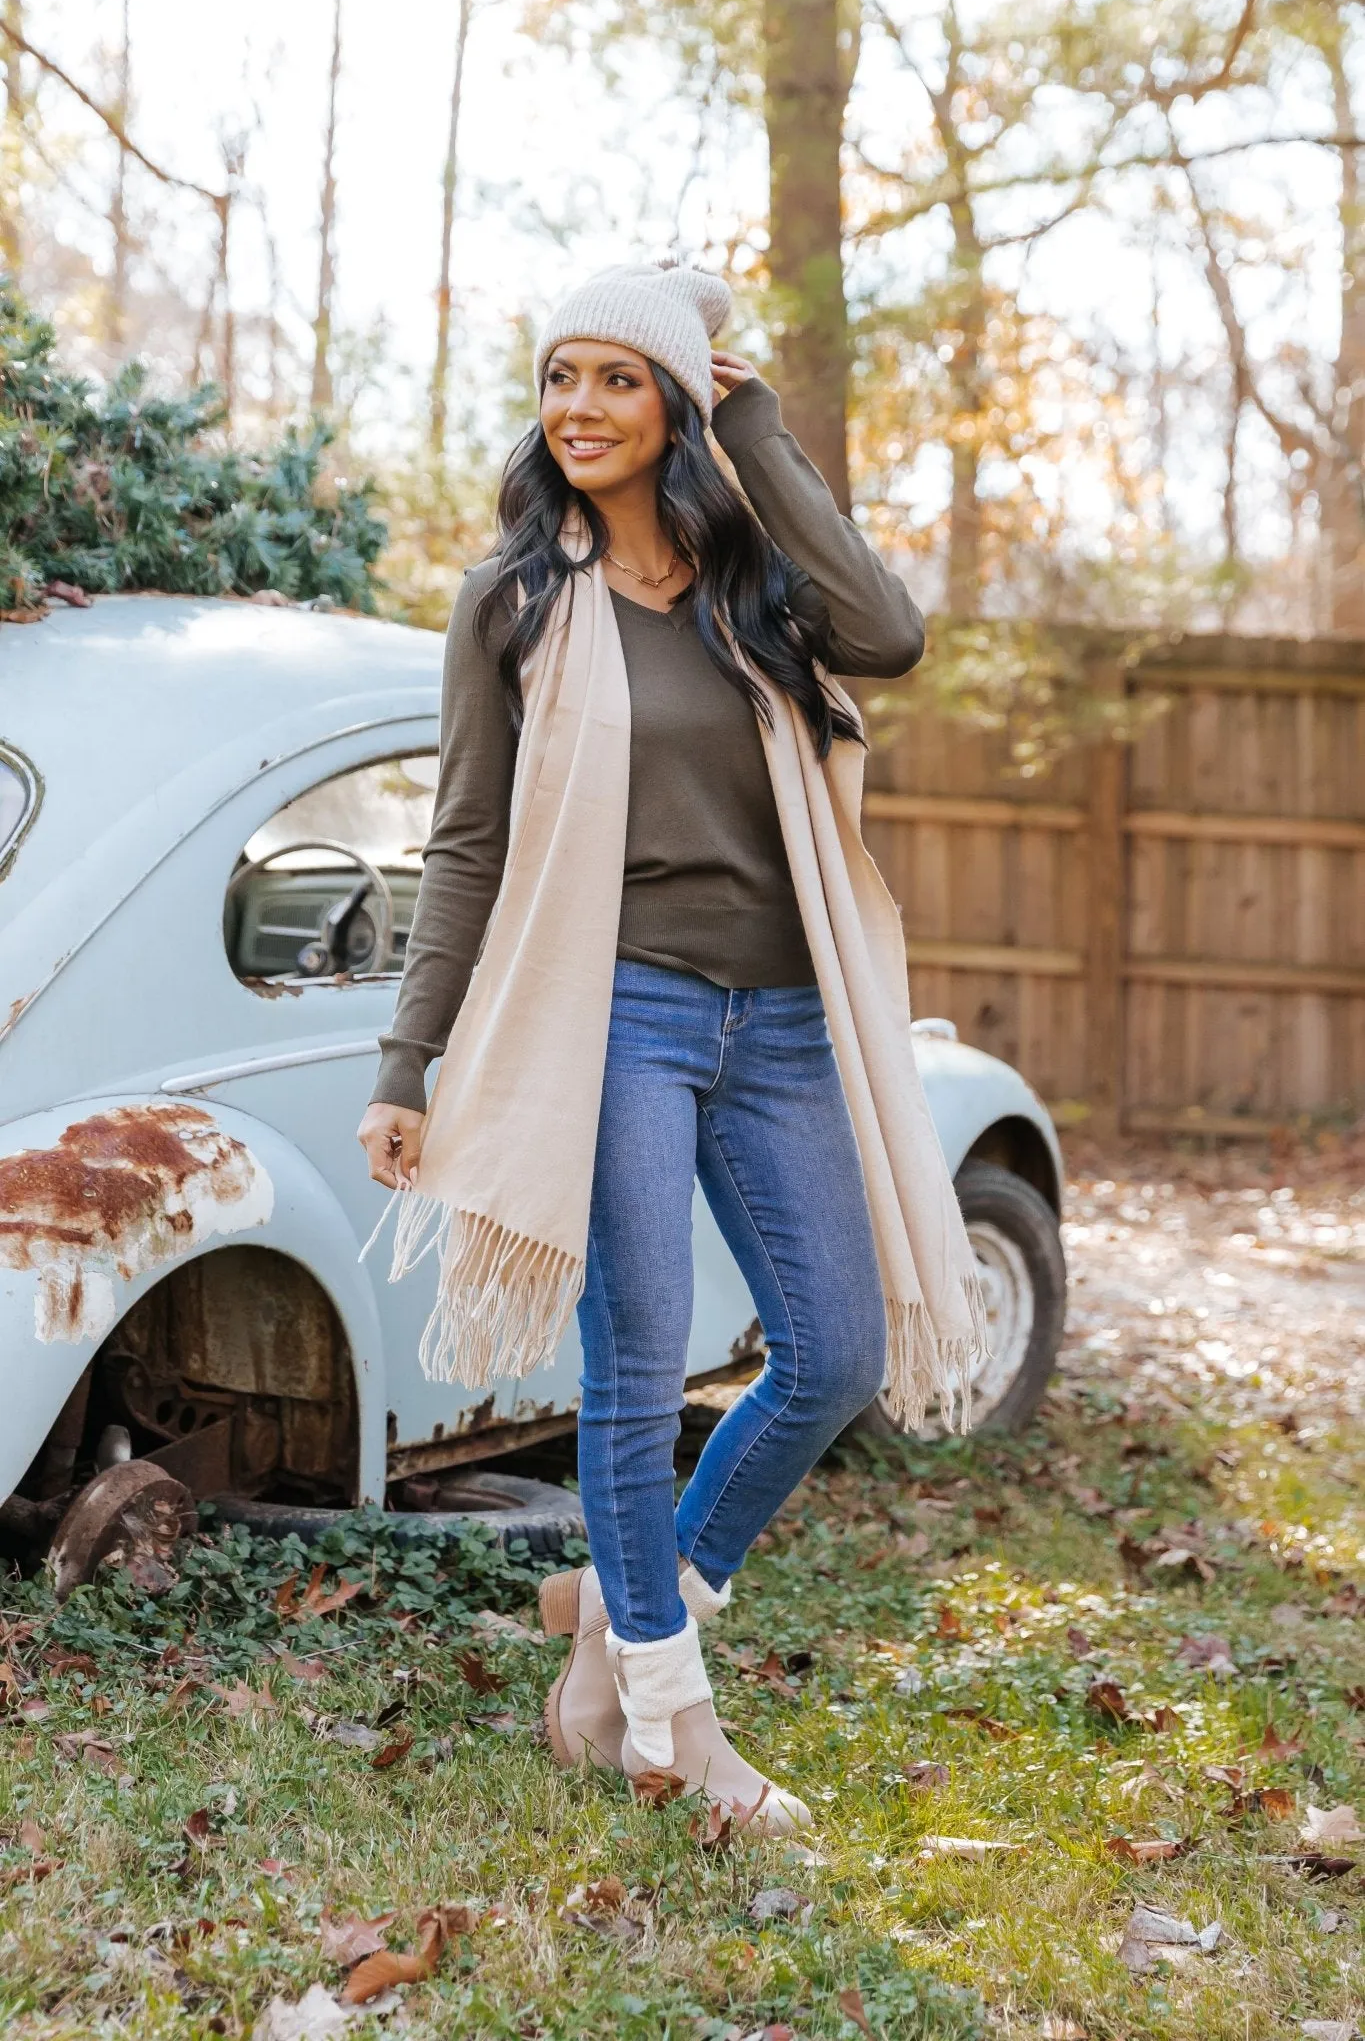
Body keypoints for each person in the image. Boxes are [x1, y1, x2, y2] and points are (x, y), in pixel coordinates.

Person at [358, 262, 987, 1835]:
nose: (576, 406)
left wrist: (756, 415)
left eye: (617, 378)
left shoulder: (749, 583)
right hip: (616, 1010)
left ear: (675, 402)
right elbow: (464, 847)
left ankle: (637, 1614)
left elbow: (893, 635)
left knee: (832, 1349)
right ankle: (664, 1729)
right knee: (633, 1371)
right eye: (558, 376)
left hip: (783, 1018)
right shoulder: (514, 603)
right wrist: (404, 1059)